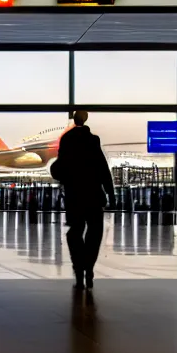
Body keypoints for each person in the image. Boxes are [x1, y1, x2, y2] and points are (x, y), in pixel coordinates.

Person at [51, 111, 115, 290]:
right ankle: (89, 267)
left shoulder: (67, 140)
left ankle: (79, 269)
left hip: (74, 196)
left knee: (75, 232)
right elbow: (103, 168)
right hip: (94, 195)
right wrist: (110, 194)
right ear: (85, 120)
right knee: (95, 233)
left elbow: (60, 166)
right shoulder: (93, 140)